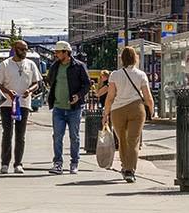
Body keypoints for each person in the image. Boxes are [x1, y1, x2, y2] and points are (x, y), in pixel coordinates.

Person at [103, 46, 156, 183]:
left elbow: (110, 96)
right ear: (135, 58)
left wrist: (105, 113)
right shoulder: (141, 75)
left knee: (122, 141)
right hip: (136, 109)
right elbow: (148, 96)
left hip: (117, 110)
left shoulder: (115, 75)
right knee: (133, 141)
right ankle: (130, 170)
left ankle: (124, 167)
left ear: (122, 59)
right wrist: (152, 109)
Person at [0, 40, 40, 175]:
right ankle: (5, 163)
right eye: (22, 49)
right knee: (7, 133)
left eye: (26, 49)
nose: (25, 52)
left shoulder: (30, 64)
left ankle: (18, 163)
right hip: (7, 104)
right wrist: (8, 92)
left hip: (24, 104)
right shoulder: (5, 65)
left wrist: (29, 91)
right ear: (15, 49)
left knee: (21, 135)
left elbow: (36, 83)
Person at [45, 40, 91, 175]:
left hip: (74, 109)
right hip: (58, 108)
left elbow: (87, 84)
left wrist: (78, 96)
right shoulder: (55, 67)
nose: (56, 55)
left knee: (74, 136)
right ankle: (58, 163)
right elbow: (49, 80)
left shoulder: (79, 66)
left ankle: (74, 162)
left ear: (66, 52)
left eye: (58, 52)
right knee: (57, 136)